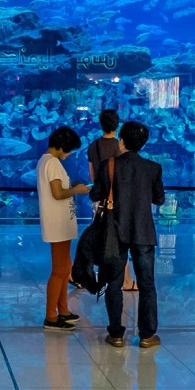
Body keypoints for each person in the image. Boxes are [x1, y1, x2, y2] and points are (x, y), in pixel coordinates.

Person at [91, 121, 165, 349]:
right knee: (147, 284)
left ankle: (115, 334)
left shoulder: (108, 165)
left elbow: (96, 194)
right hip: (143, 230)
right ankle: (146, 335)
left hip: (115, 231)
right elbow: (159, 199)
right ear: (143, 144)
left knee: (114, 282)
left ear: (121, 141)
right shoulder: (153, 168)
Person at [37, 126, 90, 331]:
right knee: (59, 272)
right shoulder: (53, 163)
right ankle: (51, 316)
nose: (68, 155)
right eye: (67, 150)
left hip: (60, 224)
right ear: (60, 147)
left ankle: (63, 310)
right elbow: (58, 193)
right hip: (57, 225)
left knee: (64, 268)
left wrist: (73, 188)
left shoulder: (46, 161)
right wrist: (77, 190)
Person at [86, 109, 136, 292]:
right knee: (121, 239)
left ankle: (97, 276)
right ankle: (126, 280)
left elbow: (92, 176)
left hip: (99, 199)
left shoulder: (93, 146)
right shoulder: (121, 147)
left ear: (101, 124)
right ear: (118, 125)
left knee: (100, 237)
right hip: (119, 199)